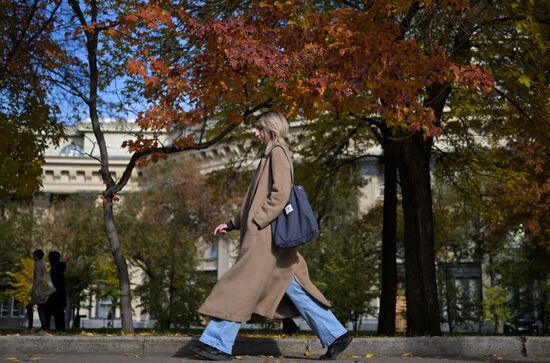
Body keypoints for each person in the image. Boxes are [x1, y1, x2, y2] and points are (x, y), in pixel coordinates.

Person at [192, 110, 352, 361]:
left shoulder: (277, 152)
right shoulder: (270, 154)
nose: (255, 133)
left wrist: (257, 222)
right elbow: (254, 201)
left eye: (259, 128)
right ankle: (335, 334)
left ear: (271, 129)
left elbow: (280, 193)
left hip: (265, 237)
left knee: (239, 285)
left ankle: (216, 342)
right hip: (267, 235)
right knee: (293, 285)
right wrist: (232, 223)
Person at [44, 251, 67, 332]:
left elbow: (52, 282)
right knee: (58, 313)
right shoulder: (59, 269)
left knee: (47, 312)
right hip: (59, 295)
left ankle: (46, 328)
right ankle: (60, 329)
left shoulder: (54, 270)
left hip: (54, 294)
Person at [26, 249, 48, 332]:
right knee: (41, 308)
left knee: (29, 306)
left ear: (37, 256)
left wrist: (33, 289)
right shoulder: (42, 264)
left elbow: (38, 278)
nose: (33, 257)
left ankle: (30, 327)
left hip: (38, 290)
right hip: (42, 289)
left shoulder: (38, 265)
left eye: (34, 255)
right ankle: (44, 328)